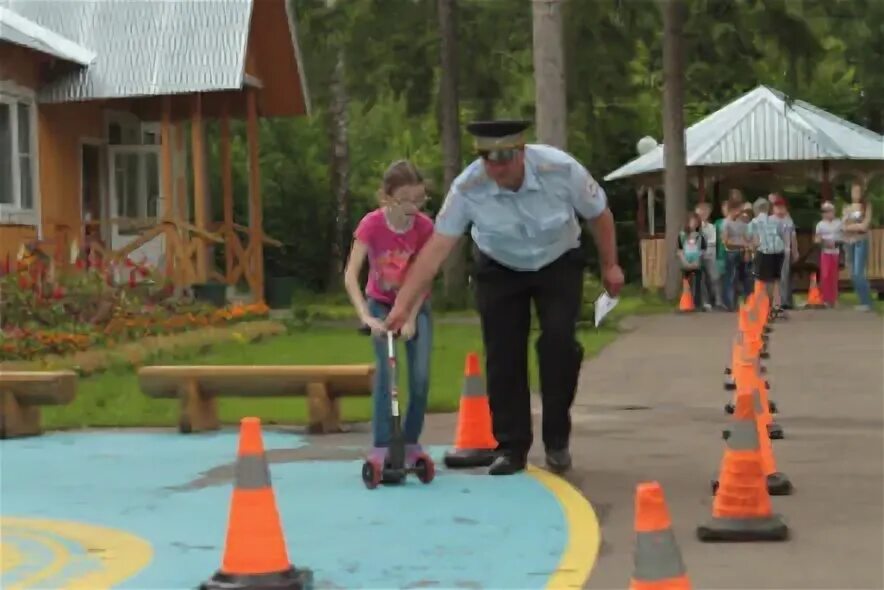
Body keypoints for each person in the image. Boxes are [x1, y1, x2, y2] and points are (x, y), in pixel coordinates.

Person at [384, 120, 624, 476]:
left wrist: (611, 266)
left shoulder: (560, 169)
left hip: (557, 261)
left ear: (522, 153)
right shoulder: (468, 187)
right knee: (503, 353)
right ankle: (512, 447)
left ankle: (557, 437)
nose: (496, 168)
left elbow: (599, 214)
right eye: (487, 160)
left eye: (504, 159)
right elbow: (436, 249)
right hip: (499, 267)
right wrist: (402, 306)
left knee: (558, 342)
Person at [343, 160, 435, 467]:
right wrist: (365, 317)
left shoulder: (424, 228)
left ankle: (410, 442)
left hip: (414, 306)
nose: (413, 207)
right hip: (380, 305)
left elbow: (424, 277)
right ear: (386, 197)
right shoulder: (372, 225)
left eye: (419, 200)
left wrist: (410, 317)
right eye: (406, 200)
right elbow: (351, 275)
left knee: (420, 377)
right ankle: (382, 444)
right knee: (387, 374)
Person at [747, 197, 787, 318]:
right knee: (775, 279)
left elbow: (754, 240)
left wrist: (752, 252)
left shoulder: (753, 222)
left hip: (764, 252)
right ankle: (775, 305)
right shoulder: (776, 220)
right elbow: (782, 235)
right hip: (778, 251)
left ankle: (764, 307)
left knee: (762, 280)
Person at [841, 180, 874, 311]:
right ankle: (862, 301)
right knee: (852, 274)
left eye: (858, 191)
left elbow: (865, 225)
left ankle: (867, 303)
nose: (856, 193)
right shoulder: (847, 207)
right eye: (853, 191)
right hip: (849, 243)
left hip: (861, 241)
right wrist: (855, 226)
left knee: (858, 272)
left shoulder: (866, 206)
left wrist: (851, 226)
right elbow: (843, 226)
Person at [720, 196, 750, 311]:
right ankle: (730, 303)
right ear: (732, 210)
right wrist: (741, 245)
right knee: (731, 278)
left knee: (744, 278)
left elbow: (746, 238)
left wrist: (746, 250)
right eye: (738, 209)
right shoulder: (725, 223)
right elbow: (726, 241)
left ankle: (745, 301)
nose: (740, 212)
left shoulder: (742, 223)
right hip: (731, 253)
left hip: (741, 252)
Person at [770, 194, 798, 309]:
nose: (780, 209)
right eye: (777, 207)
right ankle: (776, 301)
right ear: (773, 208)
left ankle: (786, 301)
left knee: (785, 276)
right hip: (773, 252)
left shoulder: (789, 220)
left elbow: (793, 236)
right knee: (774, 277)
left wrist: (795, 251)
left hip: (785, 252)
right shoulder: (770, 220)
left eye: (782, 207)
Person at [814, 201, 843, 307]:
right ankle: (825, 298)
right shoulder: (820, 225)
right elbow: (816, 239)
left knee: (834, 276)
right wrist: (824, 241)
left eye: (829, 211)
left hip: (835, 252)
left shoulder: (839, 223)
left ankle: (834, 299)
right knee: (825, 275)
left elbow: (843, 236)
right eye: (825, 212)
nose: (827, 213)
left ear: (833, 212)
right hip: (825, 252)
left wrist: (836, 242)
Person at [678, 211, 706, 307]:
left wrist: (696, 262)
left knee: (698, 284)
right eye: (692, 221)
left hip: (697, 263)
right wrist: (685, 262)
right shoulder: (682, 235)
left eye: (696, 222)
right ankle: (686, 303)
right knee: (686, 283)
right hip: (685, 263)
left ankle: (697, 303)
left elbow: (702, 251)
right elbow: (680, 250)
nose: (694, 224)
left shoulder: (701, 236)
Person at [696, 202, 721, 310]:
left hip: (710, 256)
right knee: (701, 279)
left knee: (714, 278)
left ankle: (718, 301)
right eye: (700, 211)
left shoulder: (711, 227)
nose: (703, 214)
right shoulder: (695, 227)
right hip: (698, 256)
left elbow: (713, 241)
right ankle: (705, 302)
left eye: (705, 212)